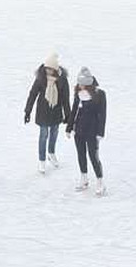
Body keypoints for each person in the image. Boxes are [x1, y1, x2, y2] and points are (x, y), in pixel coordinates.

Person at [24, 53, 72, 174]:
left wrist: (68, 116)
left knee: (54, 132)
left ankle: (51, 152)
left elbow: (66, 99)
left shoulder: (62, 80)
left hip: (56, 111)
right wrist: (27, 111)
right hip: (43, 112)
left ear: (55, 69)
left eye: (50, 69)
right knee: (43, 134)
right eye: (47, 68)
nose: (48, 71)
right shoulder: (41, 78)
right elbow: (33, 94)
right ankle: (42, 160)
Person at [66, 67, 107, 195]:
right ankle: (84, 179)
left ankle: (100, 181)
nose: (80, 86)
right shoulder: (78, 94)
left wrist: (100, 132)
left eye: (82, 84)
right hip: (79, 130)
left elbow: (102, 114)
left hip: (92, 131)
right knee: (81, 154)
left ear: (89, 84)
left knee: (93, 156)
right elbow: (74, 111)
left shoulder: (100, 94)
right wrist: (69, 127)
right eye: (79, 83)